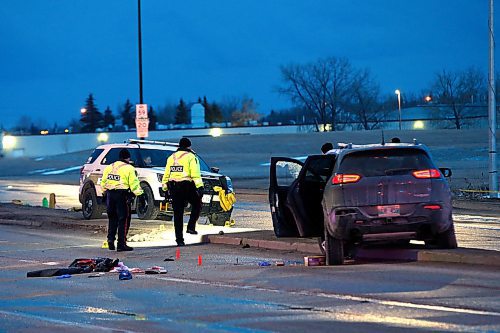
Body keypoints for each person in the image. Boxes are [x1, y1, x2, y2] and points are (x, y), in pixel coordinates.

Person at [161, 137, 204, 246]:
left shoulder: (171, 157)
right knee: (197, 204)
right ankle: (190, 227)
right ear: (189, 146)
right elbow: (195, 173)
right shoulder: (191, 157)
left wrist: (165, 188)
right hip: (187, 186)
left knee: (178, 214)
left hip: (174, 187)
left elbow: (166, 173)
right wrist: (200, 187)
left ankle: (179, 240)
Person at [101, 148, 144, 252]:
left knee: (112, 218)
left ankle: (110, 239)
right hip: (122, 196)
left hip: (110, 195)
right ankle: (121, 244)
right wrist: (140, 194)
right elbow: (134, 185)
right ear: (128, 157)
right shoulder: (129, 168)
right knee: (123, 219)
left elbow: (103, 183)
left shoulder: (110, 167)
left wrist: (105, 193)